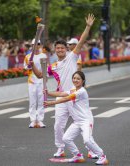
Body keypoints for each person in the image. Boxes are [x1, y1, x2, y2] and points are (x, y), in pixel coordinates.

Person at [30, 13, 96, 158]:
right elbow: (40, 75)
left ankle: (91, 149)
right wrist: (31, 66)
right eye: (57, 48)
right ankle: (60, 148)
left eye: (62, 48)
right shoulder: (53, 66)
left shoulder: (72, 58)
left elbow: (81, 41)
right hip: (62, 97)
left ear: (66, 49)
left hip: (75, 97)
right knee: (58, 126)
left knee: (83, 123)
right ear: (55, 50)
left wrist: (88, 27)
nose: (60, 50)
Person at [44, 71, 109, 165]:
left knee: (87, 140)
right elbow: (62, 94)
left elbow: (67, 98)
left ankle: (102, 156)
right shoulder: (72, 89)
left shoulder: (82, 91)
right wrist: (48, 93)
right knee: (66, 138)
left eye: (78, 78)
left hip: (86, 120)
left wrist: (51, 103)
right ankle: (77, 155)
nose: (75, 80)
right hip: (77, 121)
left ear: (83, 81)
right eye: (74, 78)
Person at [24, 39, 47, 128]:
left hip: (41, 81)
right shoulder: (28, 57)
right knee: (33, 102)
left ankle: (40, 120)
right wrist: (29, 65)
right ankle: (33, 121)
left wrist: (45, 80)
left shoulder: (43, 56)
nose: (36, 46)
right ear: (32, 46)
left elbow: (45, 69)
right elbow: (26, 68)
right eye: (34, 44)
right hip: (32, 82)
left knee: (41, 101)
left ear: (40, 45)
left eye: (38, 44)